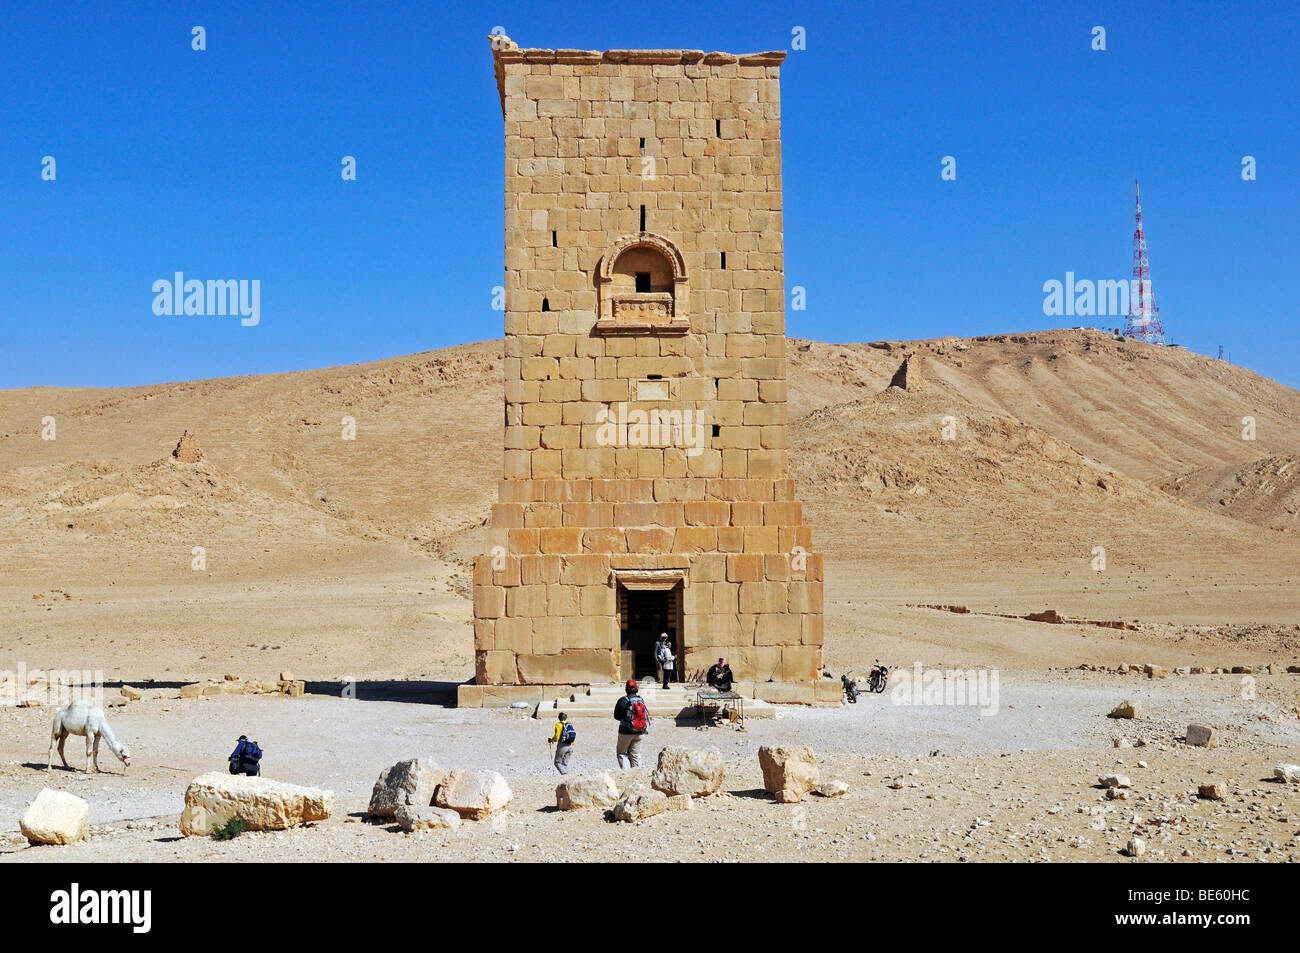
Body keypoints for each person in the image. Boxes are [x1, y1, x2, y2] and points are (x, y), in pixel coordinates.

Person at [613, 679, 648, 768]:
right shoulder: (641, 700)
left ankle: (627, 775)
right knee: (636, 754)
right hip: (640, 731)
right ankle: (637, 776)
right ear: (636, 689)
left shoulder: (622, 701)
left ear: (626, 689)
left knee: (622, 753)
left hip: (625, 732)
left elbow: (616, 716)